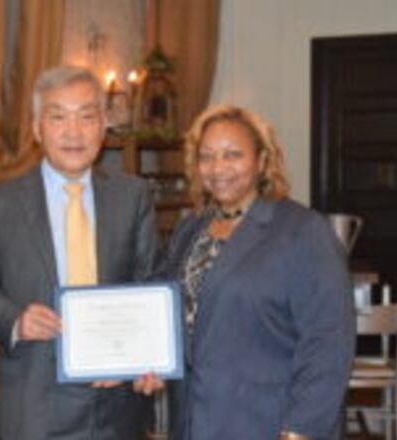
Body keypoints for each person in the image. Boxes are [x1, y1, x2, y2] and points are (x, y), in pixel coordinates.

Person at [0, 65, 160, 440]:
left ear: (103, 126)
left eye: (87, 117)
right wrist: (15, 320)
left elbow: (152, 285)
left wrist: (143, 357)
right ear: (37, 129)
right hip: (35, 403)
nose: (74, 132)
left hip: (117, 403)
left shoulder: (132, 196)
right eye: (58, 118)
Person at [149, 104, 355, 440]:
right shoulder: (189, 231)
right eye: (207, 156)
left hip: (266, 423)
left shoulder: (302, 231)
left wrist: (301, 430)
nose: (219, 168)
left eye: (233, 155)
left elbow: (328, 343)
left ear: (262, 161)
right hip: (192, 422)